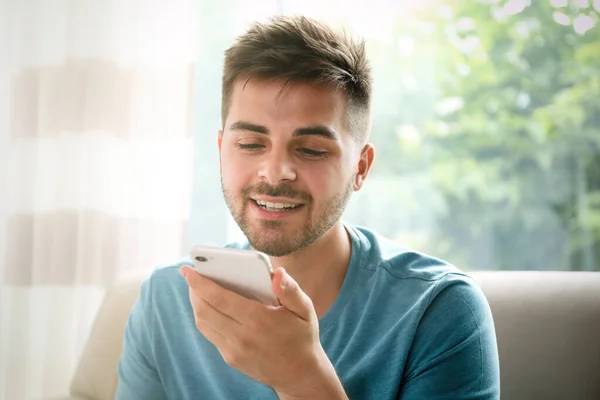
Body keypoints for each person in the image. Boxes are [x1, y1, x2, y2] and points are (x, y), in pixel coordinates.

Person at [116, 15, 500, 400]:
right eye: (250, 144)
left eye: (311, 150)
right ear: (221, 150)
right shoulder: (164, 301)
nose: (275, 172)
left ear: (360, 168)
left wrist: (302, 379)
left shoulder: (438, 312)